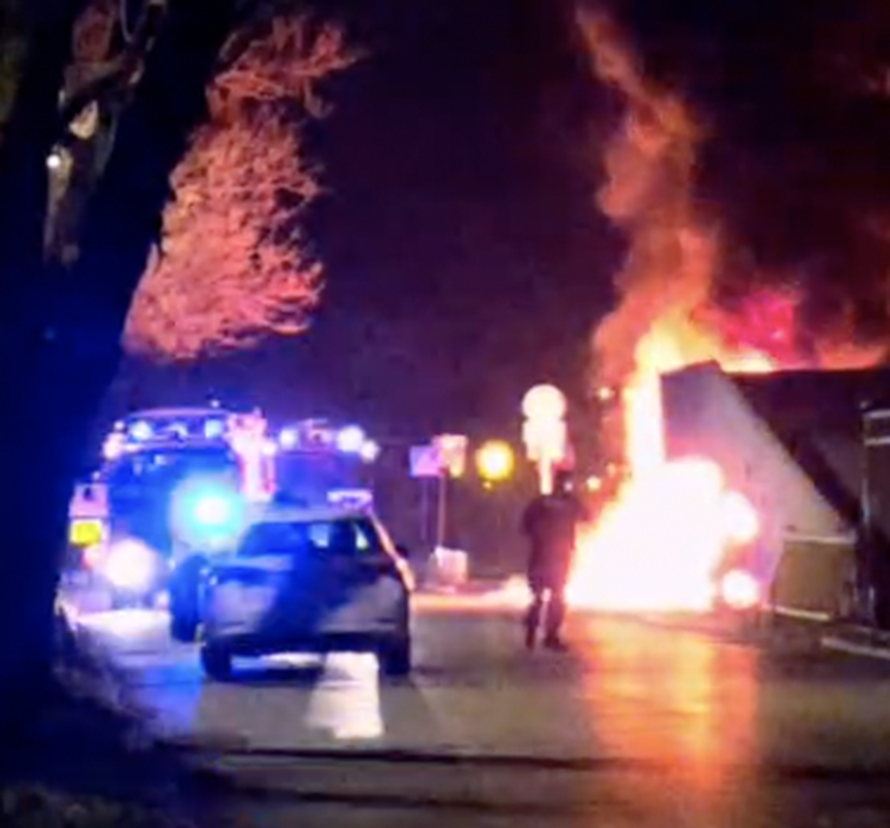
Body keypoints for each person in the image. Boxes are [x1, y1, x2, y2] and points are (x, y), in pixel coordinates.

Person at [520, 468, 587, 650]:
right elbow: (586, 517)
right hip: (559, 555)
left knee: (539, 596)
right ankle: (550, 635)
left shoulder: (540, 502)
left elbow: (525, 525)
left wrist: (537, 538)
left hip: (541, 554)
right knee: (557, 596)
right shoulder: (570, 503)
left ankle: (532, 629)